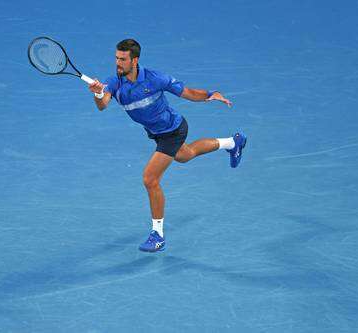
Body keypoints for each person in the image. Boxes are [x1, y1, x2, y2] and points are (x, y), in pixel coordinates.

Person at [88, 39, 246, 252]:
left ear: (135, 60)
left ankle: (158, 235)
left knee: (150, 179)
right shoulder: (114, 82)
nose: (118, 63)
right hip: (156, 133)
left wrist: (210, 95)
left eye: (123, 59)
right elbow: (102, 105)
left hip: (173, 130)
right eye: (116, 58)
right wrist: (98, 92)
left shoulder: (156, 79)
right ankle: (232, 142)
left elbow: (188, 92)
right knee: (185, 154)